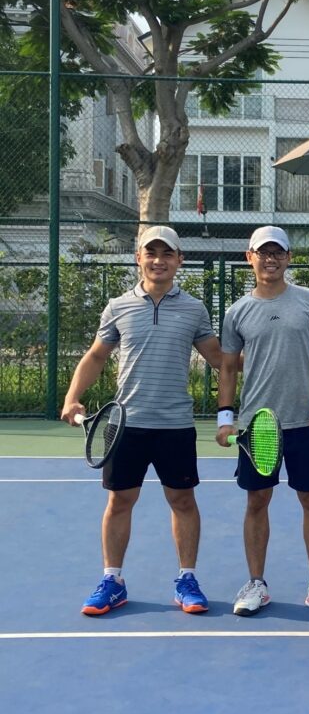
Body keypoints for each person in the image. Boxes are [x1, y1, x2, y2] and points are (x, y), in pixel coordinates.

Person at [61, 225, 223, 616]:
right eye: (151, 253)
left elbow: (220, 359)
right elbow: (96, 356)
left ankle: (187, 580)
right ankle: (112, 581)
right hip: (125, 425)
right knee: (120, 501)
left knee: (183, 500)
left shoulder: (194, 309)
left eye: (167, 254)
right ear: (139, 258)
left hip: (175, 425)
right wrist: (71, 396)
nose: (158, 261)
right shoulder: (118, 306)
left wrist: (264, 369)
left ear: (179, 260)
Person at [215, 225, 309, 619]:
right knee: (257, 501)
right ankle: (256, 583)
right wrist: (225, 417)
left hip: (305, 421)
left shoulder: (308, 299)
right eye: (263, 253)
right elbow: (228, 368)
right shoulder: (237, 311)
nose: (270, 259)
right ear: (249, 257)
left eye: (277, 253)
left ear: (288, 258)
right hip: (257, 425)